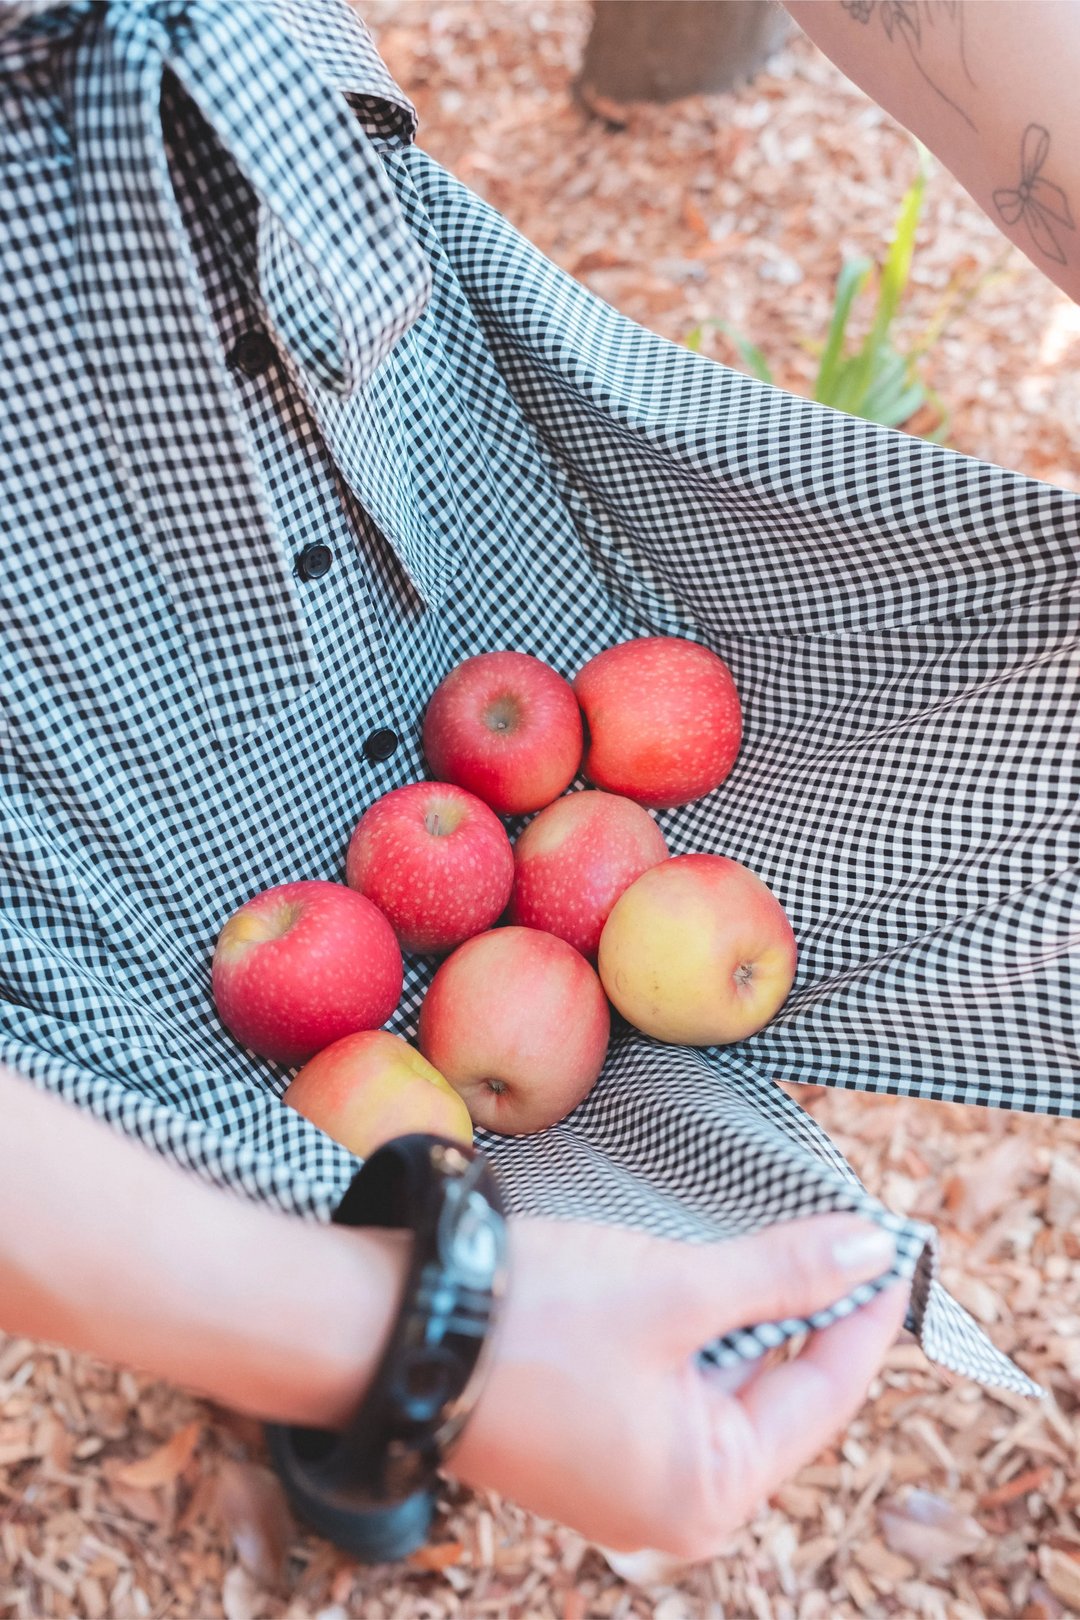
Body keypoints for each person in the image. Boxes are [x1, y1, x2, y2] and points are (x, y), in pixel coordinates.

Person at [0, 0, 1074, 1564]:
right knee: (175, 1107)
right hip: (57, 661)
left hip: (355, 362)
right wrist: (399, 1347)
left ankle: (323, 1311)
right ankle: (290, 1325)